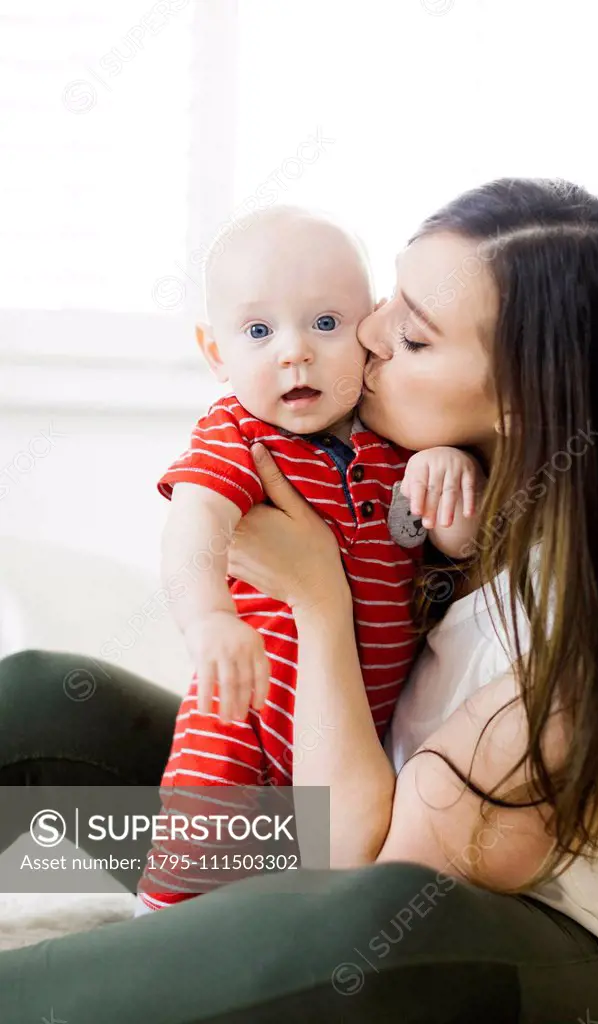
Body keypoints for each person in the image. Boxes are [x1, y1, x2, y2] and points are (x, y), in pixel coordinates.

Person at [0, 177, 598, 1024]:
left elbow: (353, 871)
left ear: (526, 400)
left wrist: (318, 602)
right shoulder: (455, 497)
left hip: (538, 964)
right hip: (346, 820)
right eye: (386, 301)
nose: (363, 333)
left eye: (409, 334)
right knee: (44, 702)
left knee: (366, 925)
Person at [136, 205, 481, 913]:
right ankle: (158, 937)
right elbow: (194, 523)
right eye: (259, 332)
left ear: (371, 329)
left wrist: (449, 471)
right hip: (246, 721)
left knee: (299, 893)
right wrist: (208, 621)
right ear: (215, 352)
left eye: (326, 324)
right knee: (203, 867)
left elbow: (461, 550)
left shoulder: (399, 443)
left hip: (359, 736)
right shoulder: (238, 432)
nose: (295, 352)